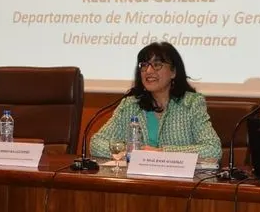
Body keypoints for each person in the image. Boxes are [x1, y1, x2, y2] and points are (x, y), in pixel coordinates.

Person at [90, 42, 222, 161]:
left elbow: (212, 149)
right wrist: (131, 153)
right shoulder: (130, 105)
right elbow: (96, 143)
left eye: (157, 65)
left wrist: (160, 153)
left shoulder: (191, 103)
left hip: (178, 183)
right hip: (137, 182)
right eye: (144, 65)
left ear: (173, 72)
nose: (148, 71)